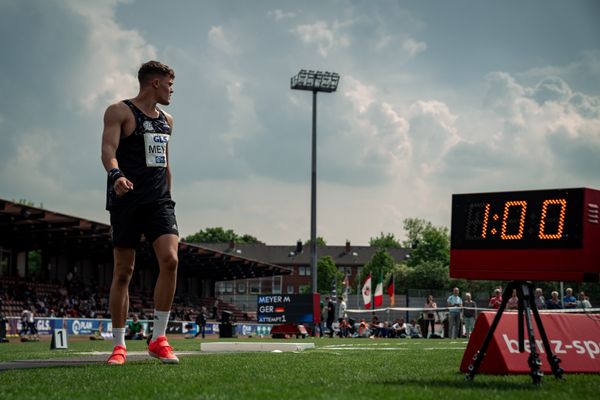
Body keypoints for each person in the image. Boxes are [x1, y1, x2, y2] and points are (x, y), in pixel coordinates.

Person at [101, 60, 179, 365]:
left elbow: (165, 164)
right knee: (124, 272)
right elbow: (108, 149)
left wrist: (169, 198)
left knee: (171, 260)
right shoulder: (119, 111)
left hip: (159, 202)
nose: (173, 90)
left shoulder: (167, 120)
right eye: (170, 84)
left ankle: (159, 338)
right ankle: (119, 346)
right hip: (126, 199)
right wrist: (116, 176)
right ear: (155, 83)